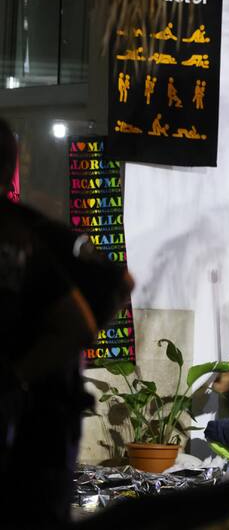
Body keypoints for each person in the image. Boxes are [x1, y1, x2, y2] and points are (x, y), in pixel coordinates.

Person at [0, 118, 133, 528]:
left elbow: (81, 318)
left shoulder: (19, 235)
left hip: (36, 431)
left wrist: (19, 376)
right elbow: (119, 284)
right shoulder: (32, 228)